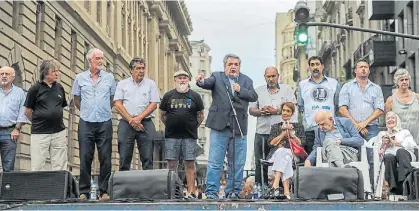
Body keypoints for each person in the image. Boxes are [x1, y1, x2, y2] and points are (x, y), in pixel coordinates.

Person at [195, 54, 258, 199]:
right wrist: (200, 81)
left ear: (239, 67)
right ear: (225, 66)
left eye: (236, 64)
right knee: (215, 161)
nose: (233, 67)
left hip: (239, 127)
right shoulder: (217, 76)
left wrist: (240, 89)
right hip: (220, 126)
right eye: (230, 64)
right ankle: (211, 192)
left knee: (237, 163)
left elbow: (253, 96)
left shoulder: (246, 80)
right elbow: (207, 83)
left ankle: (233, 191)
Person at [72, 48, 116, 200]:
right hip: (86, 121)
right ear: (89, 60)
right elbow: (76, 98)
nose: (101, 61)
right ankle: (83, 191)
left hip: (104, 122)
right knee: (85, 156)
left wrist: (102, 109)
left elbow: (112, 99)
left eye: (102, 58)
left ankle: (104, 191)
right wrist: (86, 110)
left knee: (105, 157)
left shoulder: (110, 78)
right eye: (97, 58)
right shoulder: (79, 78)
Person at [338, 59, 384, 185]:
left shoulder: (376, 88)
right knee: (351, 156)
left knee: (373, 156)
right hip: (351, 128)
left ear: (369, 70)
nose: (363, 69)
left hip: (372, 128)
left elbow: (380, 109)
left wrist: (364, 123)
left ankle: (373, 185)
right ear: (355, 70)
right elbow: (342, 109)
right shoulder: (347, 87)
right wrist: (356, 125)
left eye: (366, 67)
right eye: (361, 67)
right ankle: (352, 186)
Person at [159, 70, 204, 198]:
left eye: (185, 78)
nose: (182, 80)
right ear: (175, 80)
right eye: (180, 78)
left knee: (190, 164)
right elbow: (162, 115)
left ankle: (191, 191)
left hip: (189, 136)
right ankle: (173, 192)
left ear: (188, 80)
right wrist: (171, 124)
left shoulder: (195, 96)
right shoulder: (168, 96)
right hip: (172, 136)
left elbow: (200, 116)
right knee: (172, 165)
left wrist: (192, 126)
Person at [249, 67, 296, 186]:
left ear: (278, 76)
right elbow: (251, 110)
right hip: (262, 132)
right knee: (260, 162)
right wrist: (261, 111)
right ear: (265, 77)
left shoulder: (287, 90)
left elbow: (293, 107)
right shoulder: (257, 91)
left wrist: (276, 111)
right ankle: (261, 189)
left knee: (282, 161)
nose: (271, 79)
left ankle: (281, 188)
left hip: (281, 133)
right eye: (268, 76)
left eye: (273, 76)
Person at [114, 57, 160, 171]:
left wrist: (138, 118)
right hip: (126, 122)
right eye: (138, 68)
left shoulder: (151, 84)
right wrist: (131, 120)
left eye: (143, 68)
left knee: (148, 157)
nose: (141, 71)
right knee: (124, 157)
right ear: (131, 70)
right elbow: (118, 104)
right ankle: (124, 187)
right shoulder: (122, 84)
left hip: (146, 122)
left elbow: (154, 104)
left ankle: (148, 187)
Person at [24, 60, 68, 171]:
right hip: (40, 133)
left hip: (58, 132)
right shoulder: (35, 89)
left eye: (57, 71)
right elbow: (27, 111)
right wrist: (38, 121)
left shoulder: (60, 88)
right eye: (54, 71)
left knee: (60, 166)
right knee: (37, 166)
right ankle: (38, 188)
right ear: (45, 73)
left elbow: (60, 107)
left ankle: (59, 188)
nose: (57, 74)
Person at [297, 56, 341, 155]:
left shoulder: (333, 83)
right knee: (313, 158)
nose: (315, 67)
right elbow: (301, 106)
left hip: (330, 129)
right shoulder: (302, 85)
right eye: (312, 65)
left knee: (330, 157)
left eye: (317, 64)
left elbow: (337, 104)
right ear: (309, 67)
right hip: (310, 129)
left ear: (322, 66)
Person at [266, 102, 305, 199]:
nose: (285, 113)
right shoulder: (275, 126)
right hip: (275, 156)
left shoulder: (298, 126)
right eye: (283, 110)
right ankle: (287, 191)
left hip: (293, 156)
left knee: (285, 154)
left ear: (292, 113)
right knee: (282, 153)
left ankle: (276, 185)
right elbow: (271, 143)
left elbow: (302, 143)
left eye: (288, 111)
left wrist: (292, 135)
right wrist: (283, 134)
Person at [378, 111, 418, 197]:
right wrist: (384, 144)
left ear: (397, 120)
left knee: (400, 152)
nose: (390, 120)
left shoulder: (404, 132)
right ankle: (393, 188)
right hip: (391, 158)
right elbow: (378, 152)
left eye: (393, 118)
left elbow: (412, 144)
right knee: (388, 157)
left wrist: (396, 143)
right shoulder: (382, 134)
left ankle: (405, 183)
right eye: (388, 118)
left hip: (405, 156)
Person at [0, 66, 27, 172]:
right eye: (2, 74)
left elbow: (23, 112)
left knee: (8, 166)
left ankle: (6, 188)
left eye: (7, 74)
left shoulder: (19, 93)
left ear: (13, 77)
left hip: (10, 133)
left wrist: (17, 129)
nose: (4, 76)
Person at [385, 68, 419, 144]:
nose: (404, 82)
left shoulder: (417, 97)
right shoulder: (390, 100)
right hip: (400, 141)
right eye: (401, 80)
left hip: (417, 139)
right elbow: (388, 122)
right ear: (396, 82)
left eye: (406, 79)